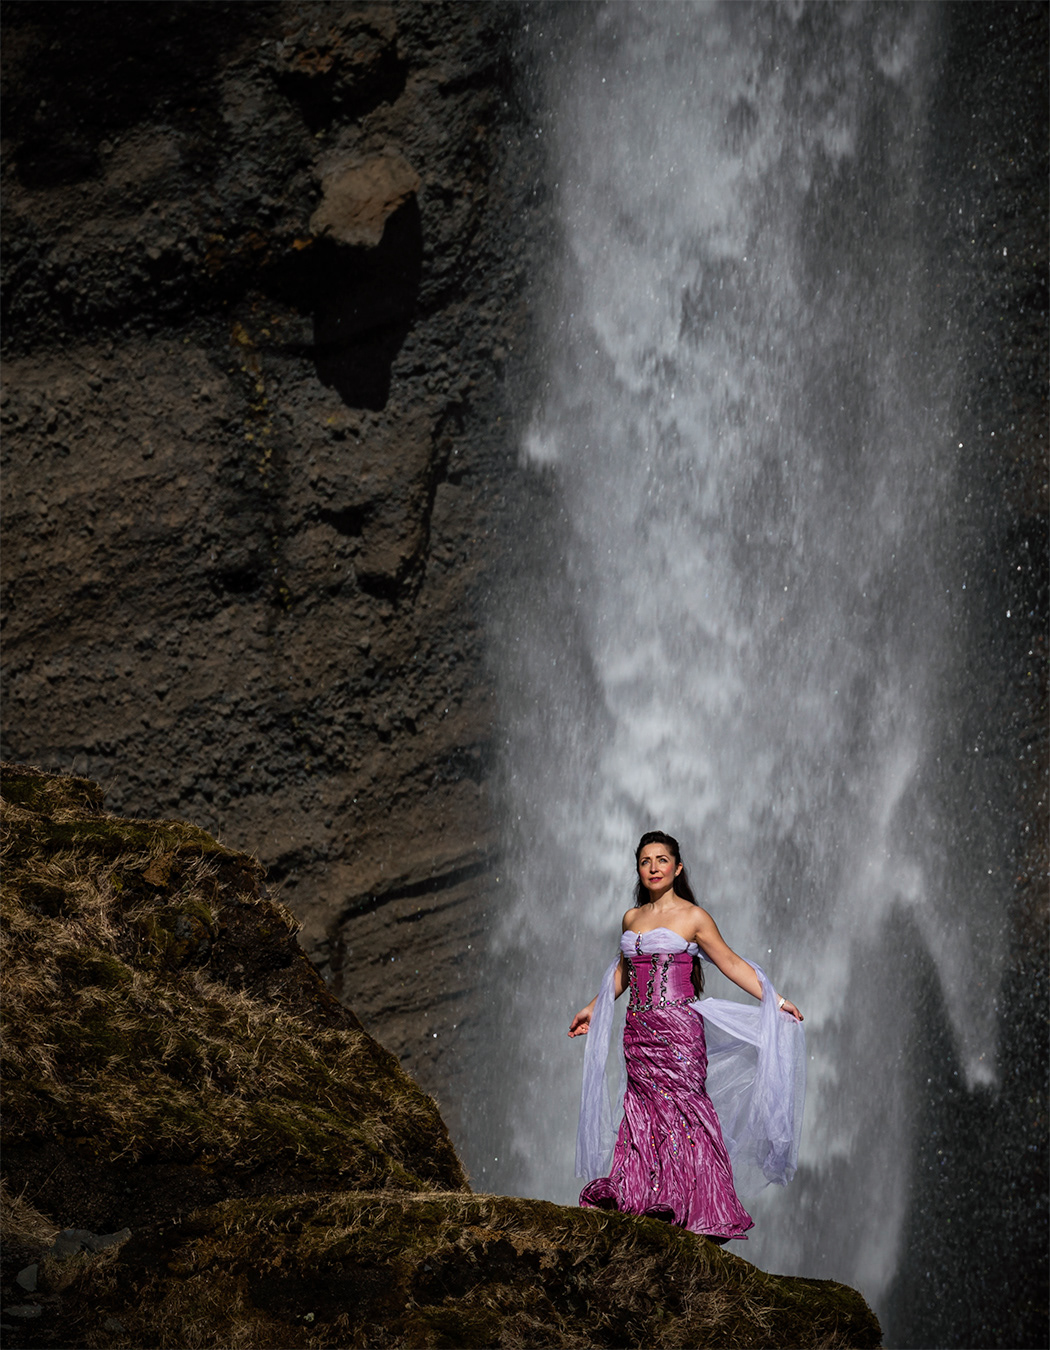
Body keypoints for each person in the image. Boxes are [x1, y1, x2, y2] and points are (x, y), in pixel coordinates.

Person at [569, 830, 805, 1242]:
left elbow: (730, 962)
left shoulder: (694, 917)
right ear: (639, 871)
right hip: (638, 1031)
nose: (654, 867)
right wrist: (593, 1005)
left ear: (677, 868)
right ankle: (647, 1197)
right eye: (646, 862)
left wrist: (776, 999)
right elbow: (624, 971)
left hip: (678, 1031)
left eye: (662, 860)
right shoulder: (631, 918)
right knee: (642, 1109)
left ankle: (699, 1206)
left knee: (684, 1109)